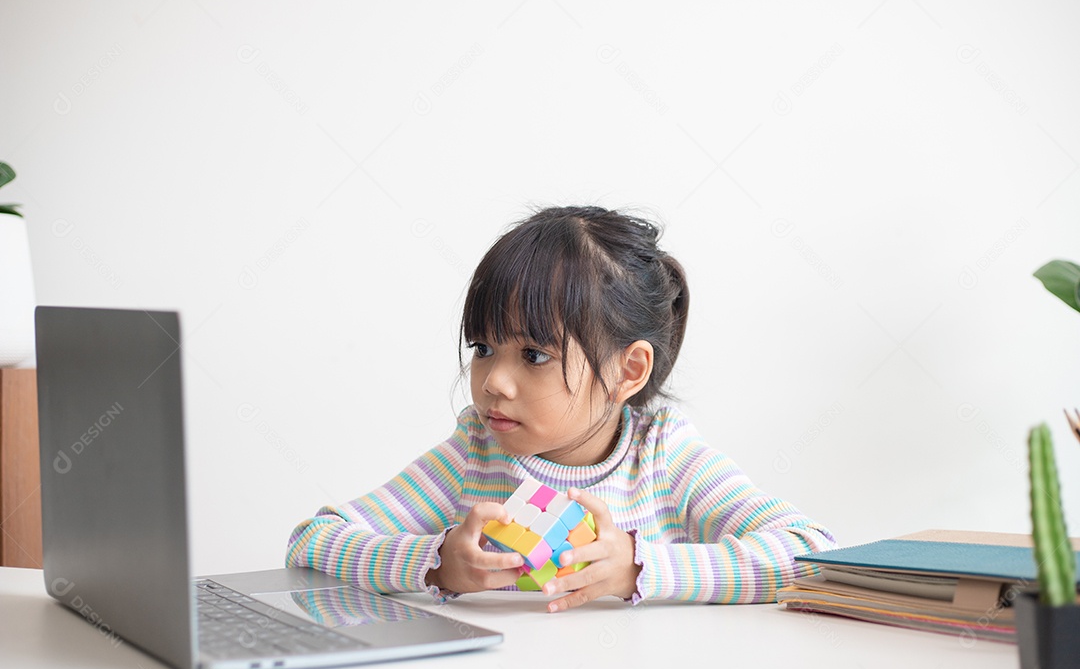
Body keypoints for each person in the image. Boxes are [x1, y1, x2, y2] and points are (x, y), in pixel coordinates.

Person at [286, 205, 836, 612]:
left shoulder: (663, 456)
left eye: (534, 355)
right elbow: (312, 540)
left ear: (629, 371)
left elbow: (811, 555)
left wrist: (639, 567)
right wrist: (433, 563)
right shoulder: (475, 454)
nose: (494, 381)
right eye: (483, 347)